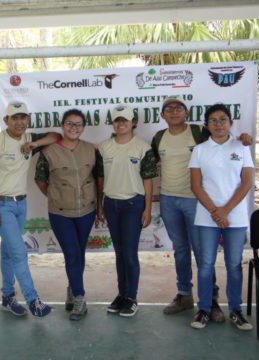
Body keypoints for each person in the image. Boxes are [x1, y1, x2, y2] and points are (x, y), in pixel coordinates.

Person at [151, 95, 252, 321]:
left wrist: (244, 138)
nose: (175, 111)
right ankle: (185, 295)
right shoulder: (158, 137)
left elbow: (224, 140)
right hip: (169, 199)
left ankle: (212, 301)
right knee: (181, 250)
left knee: (203, 254)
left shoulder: (198, 132)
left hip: (196, 201)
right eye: (169, 108)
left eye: (179, 108)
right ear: (163, 115)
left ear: (186, 113)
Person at [0, 101, 60, 318]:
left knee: (7, 252)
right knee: (18, 252)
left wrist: (35, 144)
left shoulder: (29, 138)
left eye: (23, 117)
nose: (19, 122)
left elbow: (55, 136)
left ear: (28, 120)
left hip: (21, 204)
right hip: (1, 205)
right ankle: (33, 300)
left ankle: (7, 297)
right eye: (14, 118)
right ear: (6, 120)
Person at [189, 104, 254, 330]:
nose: (218, 124)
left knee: (234, 265)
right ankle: (204, 310)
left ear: (230, 123)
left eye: (223, 119)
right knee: (206, 265)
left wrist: (225, 211)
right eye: (213, 120)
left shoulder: (241, 147)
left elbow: (247, 182)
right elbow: (196, 186)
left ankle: (236, 310)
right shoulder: (199, 150)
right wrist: (216, 212)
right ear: (207, 125)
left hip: (234, 217)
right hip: (207, 216)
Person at [34, 108, 103, 321]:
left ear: (83, 128)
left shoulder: (92, 149)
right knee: (72, 253)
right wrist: (57, 195)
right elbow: (40, 179)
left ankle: (72, 290)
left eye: (78, 124)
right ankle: (80, 298)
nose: (74, 128)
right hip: (60, 213)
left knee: (79, 252)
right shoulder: (48, 151)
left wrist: (100, 206)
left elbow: (99, 178)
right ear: (63, 126)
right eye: (70, 124)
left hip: (87, 211)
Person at [97, 104, 157, 317]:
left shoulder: (143, 148)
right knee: (119, 253)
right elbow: (100, 179)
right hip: (111, 205)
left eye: (125, 120)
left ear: (133, 122)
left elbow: (148, 181)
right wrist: (100, 206)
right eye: (117, 120)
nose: (121, 123)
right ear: (112, 124)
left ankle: (131, 297)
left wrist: (147, 209)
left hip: (133, 205)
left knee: (130, 255)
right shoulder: (103, 147)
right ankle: (122, 294)